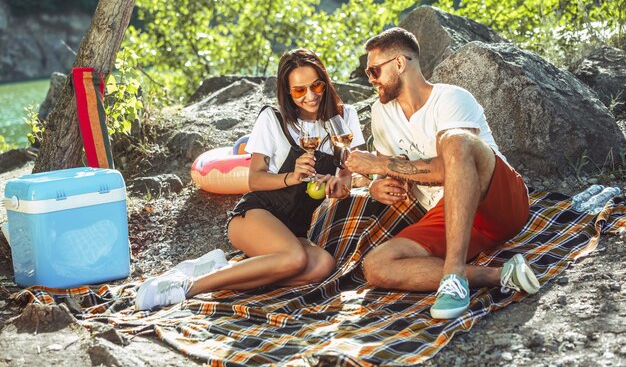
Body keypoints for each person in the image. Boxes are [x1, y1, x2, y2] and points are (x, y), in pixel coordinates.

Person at [135, 48, 365, 311]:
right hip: (257, 214)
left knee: (323, 266)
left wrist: (338, 188)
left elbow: (348, 176)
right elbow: (254, 180)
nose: (310, 96)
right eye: (300, 90)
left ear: (325, 81)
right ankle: (189, 286)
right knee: (293, 258)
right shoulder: (274, 119)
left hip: (297, 229)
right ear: (288, 92)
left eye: (316, 85)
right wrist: (291, 177)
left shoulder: (345, 118)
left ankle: (224, 268)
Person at [344, 27, 540, 319]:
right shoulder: (381, 113)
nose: (371, 80)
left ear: (399, 63)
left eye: (374, 71)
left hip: (498, 200)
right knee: (376, 265)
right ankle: (500, 275)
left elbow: (448, 168)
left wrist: (380, 165)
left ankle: (453, 277)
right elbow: (385, 170)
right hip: (446, 213)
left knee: (456, 141)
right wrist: (377, 185)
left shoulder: (451, 99)